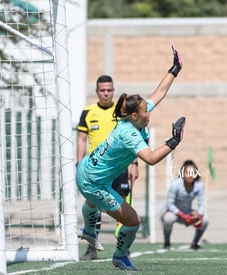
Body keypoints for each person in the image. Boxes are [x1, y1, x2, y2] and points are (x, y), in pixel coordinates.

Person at [76, 45, 184, 271]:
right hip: (93, 182)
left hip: (88, 171)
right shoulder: (129, 133)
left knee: (93, 203)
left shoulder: (133, 117)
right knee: (133, 221)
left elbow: (159, 92)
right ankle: (120, 255)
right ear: (135, 115)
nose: (150, 112)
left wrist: (174, 69)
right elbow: (152, 158)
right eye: (147, 111)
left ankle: (88, 228)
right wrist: (174, 140)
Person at [76, 74, 139, 260]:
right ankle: (91, 247)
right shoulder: (88, 112)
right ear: (97, 92)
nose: (106, 93)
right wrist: (78, 163)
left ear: (113, 91)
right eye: (102, 90)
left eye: (109, 90)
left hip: (118, 167)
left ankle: (123, 246)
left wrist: (134, 163)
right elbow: (81, 139)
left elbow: (132, 140)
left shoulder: (121, 113)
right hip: (94, 171)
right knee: (93, 205)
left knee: (121, 205)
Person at [161, 159, 209, 250]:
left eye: (192, 172)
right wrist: (181, 215)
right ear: (183, 173)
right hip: (173, 212)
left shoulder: (199, 185)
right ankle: (167, 243)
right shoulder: (175, 184)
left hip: (187, 212)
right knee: (168, 219)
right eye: (187, 172)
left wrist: (199, 216)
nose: (190, 175)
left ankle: (194, 244)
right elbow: (169, 203)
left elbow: (202, 204)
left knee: (205, 220)